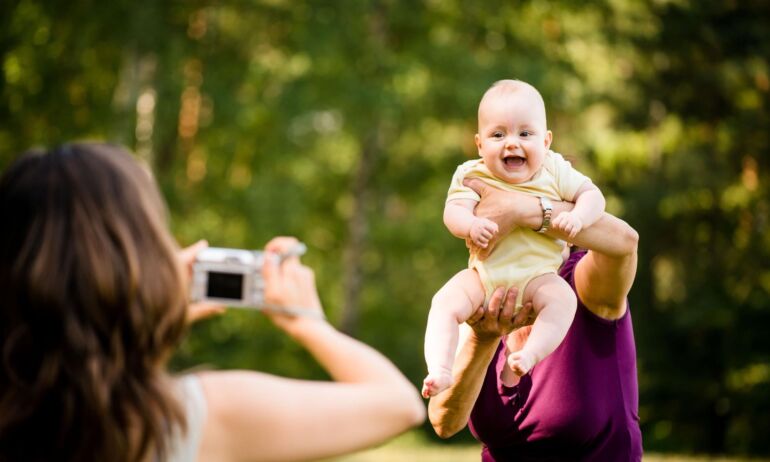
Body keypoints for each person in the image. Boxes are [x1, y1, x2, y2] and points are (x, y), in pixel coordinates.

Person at [0, 143, 425, 462]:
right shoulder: (193, 418)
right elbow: (399, 404)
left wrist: (148, 315)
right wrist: (308, 324)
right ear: (142, 267)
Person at [427, 177, 643, 460]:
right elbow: (444, 421)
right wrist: (483, 338)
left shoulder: (581, 287)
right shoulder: (480, 297)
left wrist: (520, 208)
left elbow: (625, 241)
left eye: (533, 229)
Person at [422, 79, 606, 398]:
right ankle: (439, 368)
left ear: (546, 141)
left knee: (564, 300)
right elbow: (453, 211)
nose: (511, 143)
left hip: (538, 279)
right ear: (480, 145)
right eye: (498, 134)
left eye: (525, 133)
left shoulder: (554, 170)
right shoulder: (473, 173)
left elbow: (593, 196)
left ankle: (529, 354)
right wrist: (469, 225)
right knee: (443, 302)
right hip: (484, 278)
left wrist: (577, 217)